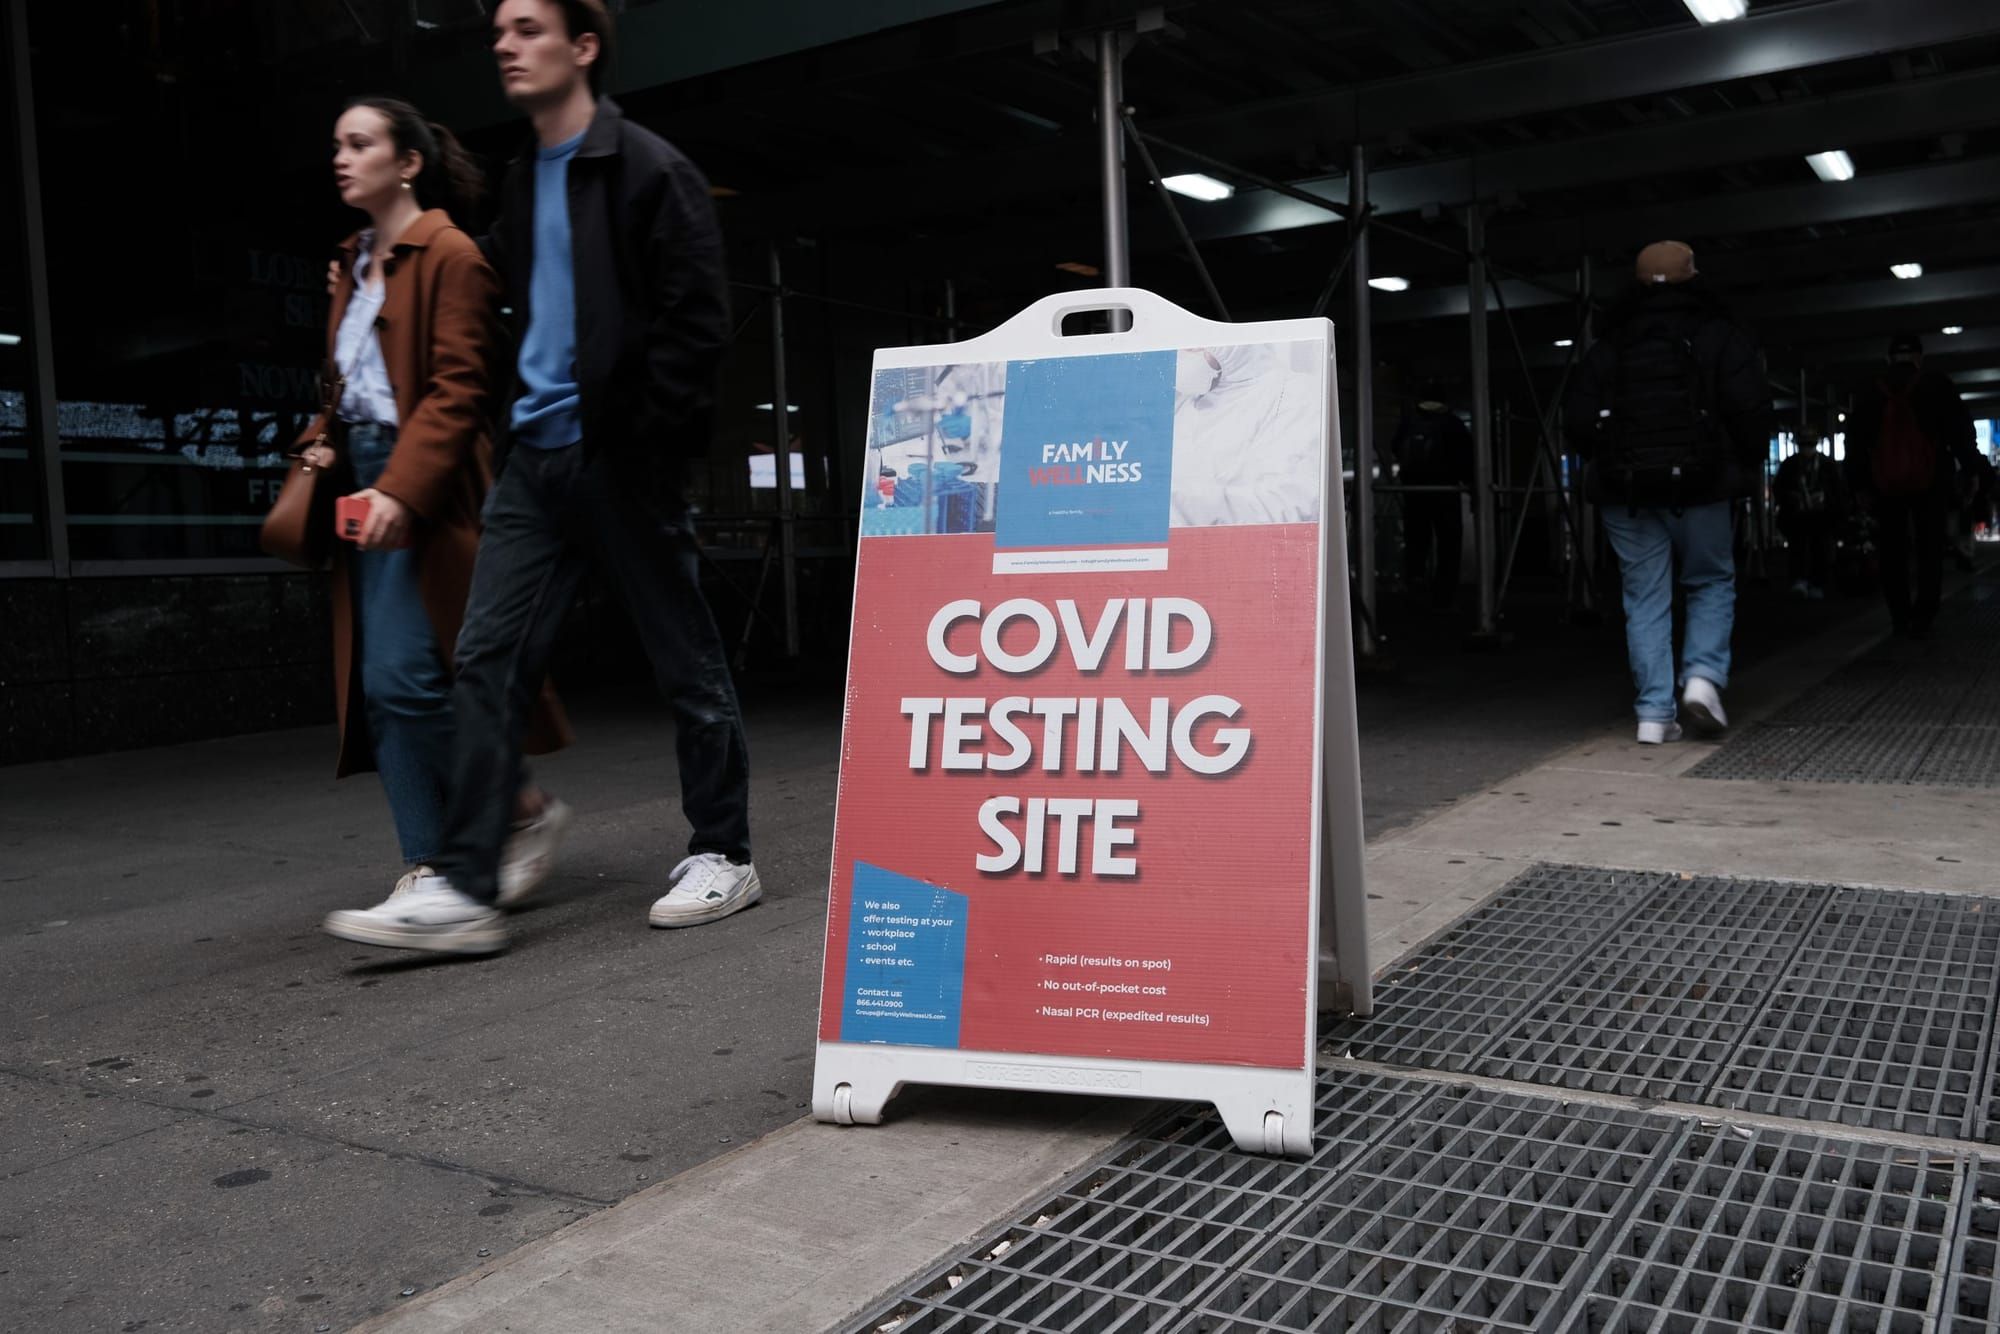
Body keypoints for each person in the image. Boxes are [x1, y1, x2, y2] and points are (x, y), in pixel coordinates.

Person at [324, 0, 755, 955]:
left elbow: (695, 326)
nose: (505, 46)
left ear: (583, 47)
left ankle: (723, 849)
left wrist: (645, 441)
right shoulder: (524, 180)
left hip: (620, 454)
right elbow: (500, 301)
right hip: (535, 461)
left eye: (528, 30)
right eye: (500, 34)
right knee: (486, 662)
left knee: (681, 657)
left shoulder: (647, 168)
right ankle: (469, 887)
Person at [301, 97, 571, 916]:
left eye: (360, 144)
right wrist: (323, 440)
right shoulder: (351, 261)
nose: (342, 157)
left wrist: (399, 487)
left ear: (408, 163)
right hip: (363, 477)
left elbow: (460, 389)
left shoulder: (451, 253)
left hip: (431, 483)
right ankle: (426, 861)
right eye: (337, 144)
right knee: (379, 682)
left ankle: (515, 806)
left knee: (403, 677)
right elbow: (347, 381)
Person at [1565, 241, 1770, 744]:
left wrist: (1613, 457)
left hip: (1626, 491)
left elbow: (1577, 424)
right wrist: (1743, 466)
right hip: (1702, 485)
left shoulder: (1610, 344)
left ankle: (1654, 716)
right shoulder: (1720, 336)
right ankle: (1701, 680)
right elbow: (1750, 413)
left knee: (1645, 597)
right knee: (1710, 581)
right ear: (1694, 277)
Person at [1846, 333, 1981, 640]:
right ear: (1920, 357)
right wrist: (1971, 470)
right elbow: (1961, 432)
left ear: (1889, 359)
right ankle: (1924, 614)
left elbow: (1855, 444)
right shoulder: (1937, 385)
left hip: (1884, 483)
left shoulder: (1871, 391)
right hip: (1931, 481)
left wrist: (1859, 485)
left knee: (1891, 549)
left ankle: (1899, 615)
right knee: (1929, 547)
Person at [1390, 396, 1474, 608]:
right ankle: (1444, 595)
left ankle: (1415, 586)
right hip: (1446, 491)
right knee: (1449, 544)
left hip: (1414, 493)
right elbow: (1465, 459)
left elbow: (1395, 447)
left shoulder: (1410, 422)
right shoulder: (1453, 423)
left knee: (1416, 542)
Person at [1772, 426, 1844, 600]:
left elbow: (1839, 492)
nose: (1806, 449)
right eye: (1804, 444)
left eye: (1809, 444)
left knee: (1819, 548)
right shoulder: (1791, 465)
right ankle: (1801, 580)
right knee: (1798, 548)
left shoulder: (1826, 465)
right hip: (1797, 514)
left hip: (1820, 515)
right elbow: (1779, 489)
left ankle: (1815, 582)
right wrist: (1793, 498)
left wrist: (1825, 499)